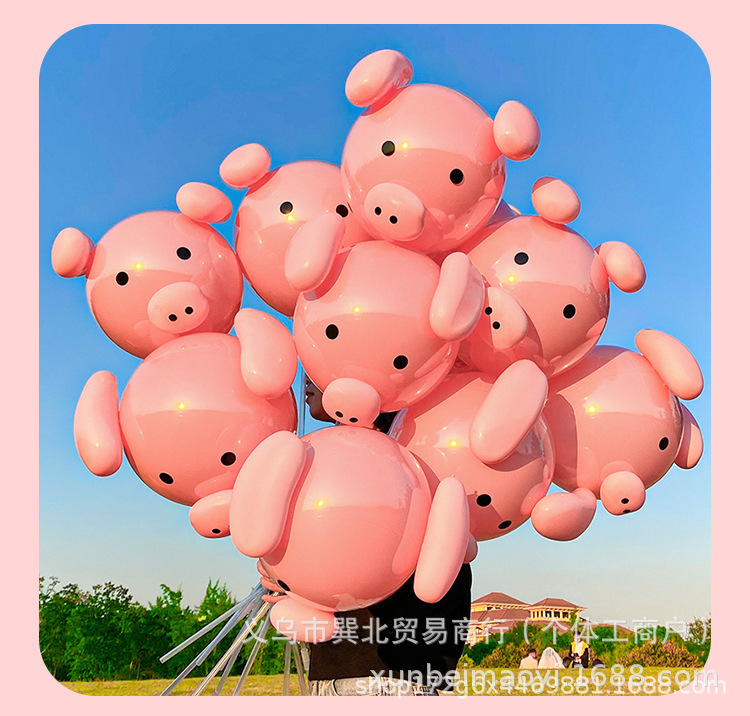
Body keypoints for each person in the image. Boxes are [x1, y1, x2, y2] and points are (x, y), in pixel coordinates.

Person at [265, 377, 473, 696]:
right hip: (367, 674)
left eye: (319, 367)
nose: (304, 379)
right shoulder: (404, 464)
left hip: (379, 676)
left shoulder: (386, 469)